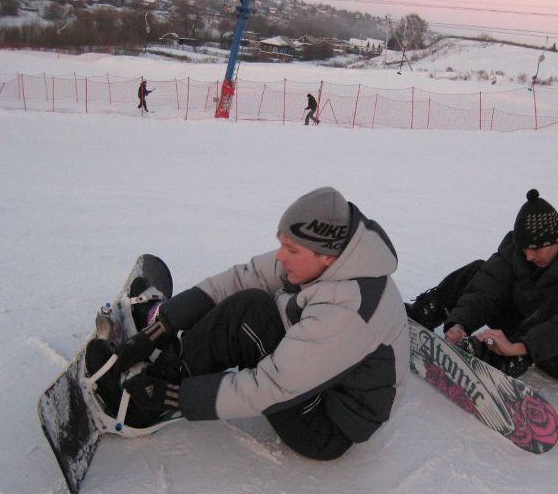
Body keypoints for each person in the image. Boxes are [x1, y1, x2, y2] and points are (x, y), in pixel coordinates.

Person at [88, 187, 409, 461]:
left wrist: (171, 396)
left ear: (327, 257)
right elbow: (246, 276)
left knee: (250, 317)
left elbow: (269, 387)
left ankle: (142, 410)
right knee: (251, 298)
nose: (281, 256)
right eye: (282, 243)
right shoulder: (327, 255)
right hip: (317, 366)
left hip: (326, 423)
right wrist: (165, 324)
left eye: (291, 249)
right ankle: (171, 351)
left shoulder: (347, 311)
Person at [406, 189, 558, 383]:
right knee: (479, 270)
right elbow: (487, 288)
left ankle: (505, 358)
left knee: (555, 294)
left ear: (555, 241)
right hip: (533, 324)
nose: (528, 255)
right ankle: (424, 313)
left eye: (535, 249)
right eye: (524, 248)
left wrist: (521, 347)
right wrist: (460, 322)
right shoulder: (518, 249)